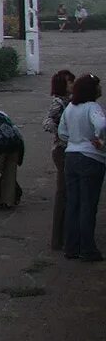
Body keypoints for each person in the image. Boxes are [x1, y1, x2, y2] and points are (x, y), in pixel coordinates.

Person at [58, 73, 106, 261]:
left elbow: (62, 132)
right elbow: (102, 124)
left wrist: (75, 141)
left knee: (73, 204)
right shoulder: (93, 107)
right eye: (97, 85)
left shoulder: (70, 107)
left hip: (71, 156)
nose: (100, 88)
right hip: (91, 159)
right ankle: (87, 248)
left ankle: (71, 247)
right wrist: (99, 140)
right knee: (88, 204)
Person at [45, 69, 77, 251]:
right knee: (62, 192)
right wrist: (60, 133)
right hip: (61, 149)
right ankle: (57, 238)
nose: (72, 84)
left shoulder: (73, 102)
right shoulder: (58, 103)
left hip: (70, 149)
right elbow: (47, 121)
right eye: (69, 82)